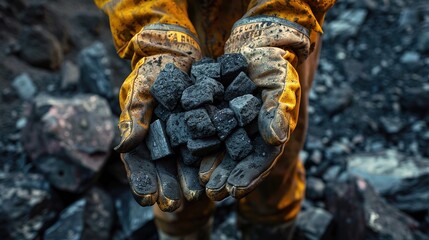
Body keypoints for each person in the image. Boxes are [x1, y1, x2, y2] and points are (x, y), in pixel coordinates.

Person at [94, 0, 335, 239]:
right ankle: (183, 228)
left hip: (272, 30)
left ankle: (270, 224)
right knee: (176, 182)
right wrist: (153, 26)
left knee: (275, 136)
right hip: (170, 14)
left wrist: (279, 17)